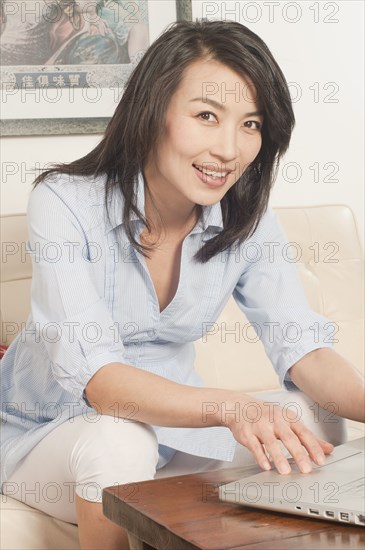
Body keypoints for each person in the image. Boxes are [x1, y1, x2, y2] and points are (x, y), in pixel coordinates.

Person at [1, 19, 364, 550]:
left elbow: (304, 349)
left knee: (312, 414)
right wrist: (234, 408)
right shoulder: (65, 202)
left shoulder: (247, 218)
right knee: (119, 437)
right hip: (53, 438)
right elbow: (101, 385)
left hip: (175, 436)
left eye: (251, 124)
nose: (228, 149)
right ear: (154, 112)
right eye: (206, 116)